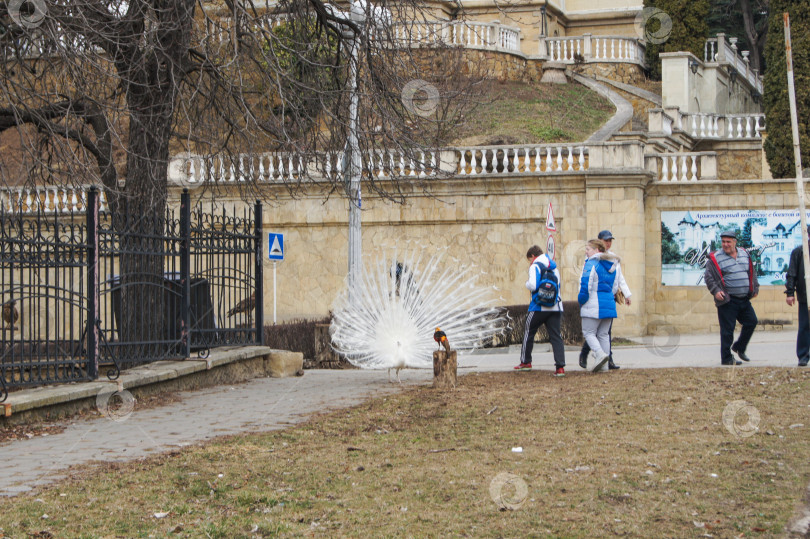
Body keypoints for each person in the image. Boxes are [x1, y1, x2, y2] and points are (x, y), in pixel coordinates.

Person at [578, 230, 632, 370]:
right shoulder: (612, 263)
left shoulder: (591, 263)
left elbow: (585, 286)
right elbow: (615, 285)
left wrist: (581, 300)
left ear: (596, 249)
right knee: (603, 334)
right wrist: (616, 294)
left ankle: (600, 355)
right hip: (608, 302)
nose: (586, 252)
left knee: (589, 333)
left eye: (588, 249)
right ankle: (604, 366)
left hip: (594, 302)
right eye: (606, 240)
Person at [704, 229, 759, 366]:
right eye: (723, 242)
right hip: (728, 300)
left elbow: (751, 272)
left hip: (744, 299)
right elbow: (708, 277)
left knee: (751, 322)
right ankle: (727, 358)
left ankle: (739, 347)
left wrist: (755, 288)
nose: (725, 244)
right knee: (727, 331)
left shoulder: (745, 254)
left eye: (728, 241)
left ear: (735, 242)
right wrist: (716, 291)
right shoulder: (715, 258)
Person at [514, 245, 566, 376]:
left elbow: (533, 285)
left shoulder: (535, 266)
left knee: (528, 332)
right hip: (555, 307)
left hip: (539, 306)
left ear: (532, 256)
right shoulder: (554, 267)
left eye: (529, 259)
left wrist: (526, 284)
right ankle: (560, 368)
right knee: (556, 336)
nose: (530, 262)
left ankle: (526, 362)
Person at [785, 226, 810, 367]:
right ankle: (803, 356)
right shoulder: (799, 252)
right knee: (805, 326)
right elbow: (792, 273)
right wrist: (790, 293)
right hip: (806, 297)